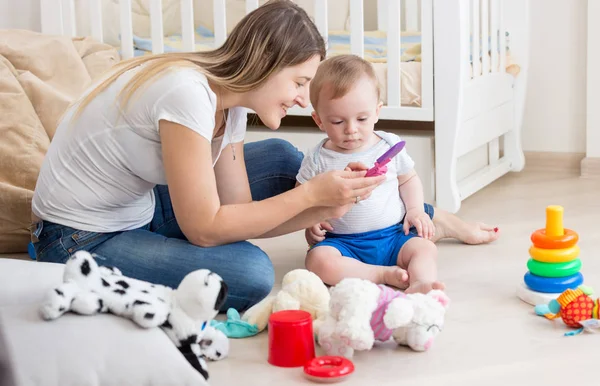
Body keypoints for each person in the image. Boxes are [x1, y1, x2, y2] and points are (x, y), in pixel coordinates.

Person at [30, 0, 498, 314]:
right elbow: (206, 227)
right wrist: (311, 198)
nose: (301, 99)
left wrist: (325, 208)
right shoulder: (185, 93)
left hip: (142, 206)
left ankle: (416, 217)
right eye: (298, 82)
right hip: (80, 238)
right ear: (267, 64)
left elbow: (236, 213)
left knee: (279, 157)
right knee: (251, 274)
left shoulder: (229, 111)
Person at [297, 55, 499, 294]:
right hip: (343, 243)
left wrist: (415, 210)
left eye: (362, 119)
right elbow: (301, 199)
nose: (351, 129)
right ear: (319, 120)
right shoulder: (317, 159)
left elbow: (408, 179)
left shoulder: (388, 145)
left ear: (377, 111)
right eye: (338, 121)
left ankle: (421, 282)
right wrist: (311, 222)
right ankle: (381, 275)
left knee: (425, 249)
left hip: (393, 235)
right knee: (318, 262)